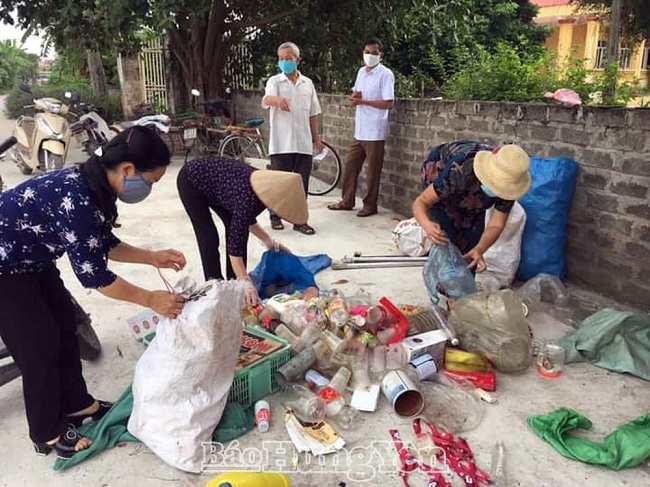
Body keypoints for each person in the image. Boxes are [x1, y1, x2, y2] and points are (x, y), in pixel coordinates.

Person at [0, 126, 186, 459]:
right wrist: (150, 299)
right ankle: (47, 432)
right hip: (4, 268)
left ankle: (77, 405)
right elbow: (95, 277)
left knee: (65, 328)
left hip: (33, 260)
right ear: (128, 169)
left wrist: (152, 257)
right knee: (39, 346)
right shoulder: (76, 197)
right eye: (152, 181)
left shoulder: (94, 186)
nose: (151, 188)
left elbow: (102, 243)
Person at [177, 155, 309, 306]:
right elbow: (235, 248)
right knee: (208, 235)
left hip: (219, 187)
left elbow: (246, 220)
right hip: (192, 181)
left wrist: (270, 242)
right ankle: (214, 285)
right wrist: (246, 282)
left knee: (234, 226)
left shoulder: (262, 190)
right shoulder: (249, 197)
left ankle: (234, 282)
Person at [412, 141, 531, 272]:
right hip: (444, 177)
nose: (497, 189)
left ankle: (463, 280)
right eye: (495, 184)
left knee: (470, 245)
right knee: (445, 235)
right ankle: (441, 277)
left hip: (470, 190)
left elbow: (496, 224)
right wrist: (427, 225)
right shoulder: (460, 170)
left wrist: (479, 249)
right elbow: (421, 202)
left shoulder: (510, 187)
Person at [328, 37, 395, 217]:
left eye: (374, 53)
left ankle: (370, 205)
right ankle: (347, 200)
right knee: (350, 166)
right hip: (360, 130)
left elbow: (388, 103)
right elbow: (357, 93)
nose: (370, 55)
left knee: (372, 171)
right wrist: (354, 98)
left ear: (381, 55)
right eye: (367, 52)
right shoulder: (361, 72)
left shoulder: (385, 74)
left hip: (375, 130)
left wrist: (363, 102)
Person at [262, 41, 322, 235]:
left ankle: (299, 220)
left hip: (303, 143)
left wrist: (316, 138)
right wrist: (278, 100)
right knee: (279, 183)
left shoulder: (307, 84)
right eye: (281, 58)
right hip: (281, 143)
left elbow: (313, 113)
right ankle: (275, 216)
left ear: (298, 60)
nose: (284, 62)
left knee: (301, 184)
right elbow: (267, 99)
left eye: (288, 58)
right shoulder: (275, 82)